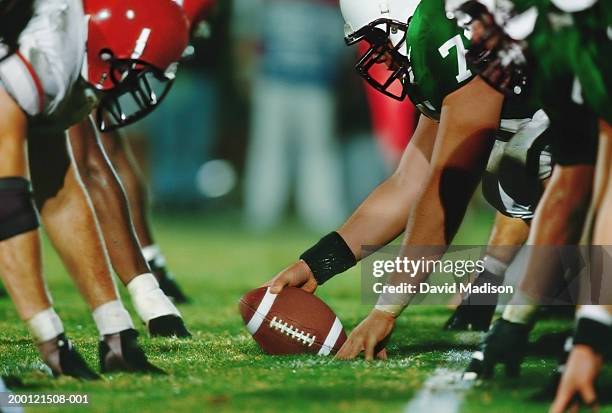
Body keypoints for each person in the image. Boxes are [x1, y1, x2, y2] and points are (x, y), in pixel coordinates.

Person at [0, 0, 189, 377]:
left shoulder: (63, 48)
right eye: (130, 72)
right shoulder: (36, 58)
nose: (129, 86)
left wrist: (115, 328)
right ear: (108, 47)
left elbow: (62, 192)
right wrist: (50, 341)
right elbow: (7, 205)